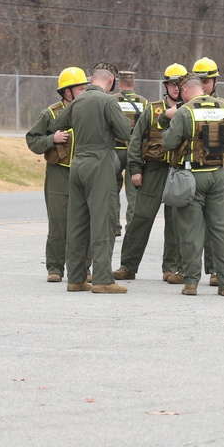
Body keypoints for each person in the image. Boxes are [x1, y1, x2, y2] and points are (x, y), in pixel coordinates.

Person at [159, 72, 224, 296]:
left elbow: (168, 143)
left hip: (192, 176)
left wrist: (168, 120)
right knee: (221, 231)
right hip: (218, 175)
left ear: (186, 91)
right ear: (202, 89)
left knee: (191, 232)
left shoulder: (185, 112)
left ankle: (191, 283)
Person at [53, 62, 133, 294]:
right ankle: (102, 279)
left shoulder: (78, 100)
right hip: (100, 163)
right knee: (102, 221)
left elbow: (59, 123)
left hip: (77, 164)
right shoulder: (108, 101)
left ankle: (76, 278)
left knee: (77, 223)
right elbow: (124, 132)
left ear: (91, 80)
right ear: (110, 81)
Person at [113, 63, 188, 283]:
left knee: (175, 222)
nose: (176, 88)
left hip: (177, 171)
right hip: (153, 170)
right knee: (140, 218)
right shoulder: (152, 109)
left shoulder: (190, 111)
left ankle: (170, 268)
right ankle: (128, 266)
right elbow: (136, 140)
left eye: (180, 84)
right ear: (166, 86)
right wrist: (135, 169)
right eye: (172, 84)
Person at [25, 67, 87, 282]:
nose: (85, 91)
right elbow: (32, 140)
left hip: (84, 174)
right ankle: (55, 268)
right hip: (59, 175)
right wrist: (52, 139)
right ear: (67, 92)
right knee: (59, 224)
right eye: (80, 88)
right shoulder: (50, 114)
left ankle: (82, 269)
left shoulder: (90, 111)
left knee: (83, 224)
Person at [191, 56, 224, 286]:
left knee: (216, 227)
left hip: (215, 170)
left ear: (215, 82)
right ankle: (184, 272)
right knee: (190, 228)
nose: (203, 85)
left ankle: (214, 271)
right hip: (192, 172)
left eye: (207, 80)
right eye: (200, 80)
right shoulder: (187, 108)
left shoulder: (223, 106)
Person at [112, 70, 148, 239]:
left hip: (115, 150)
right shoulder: (144, 103)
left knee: (112, 190)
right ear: (133, 84)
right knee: (133, 193)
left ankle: (114, 225)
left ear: (119, 84)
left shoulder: (112, 101)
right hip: (135, 152)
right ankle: (131, 227)